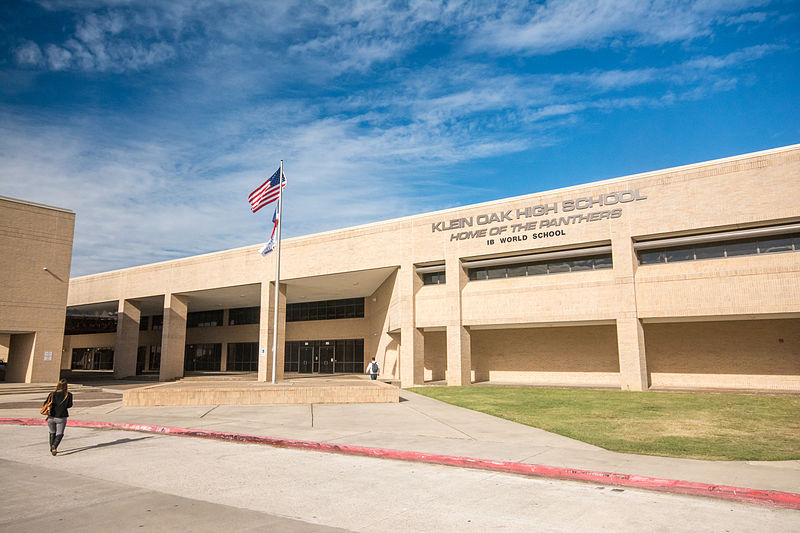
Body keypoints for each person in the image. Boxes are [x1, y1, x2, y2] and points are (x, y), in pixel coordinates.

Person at [43, 378, 73, 456]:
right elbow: (69, 405)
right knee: (59, 433)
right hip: (61, 417)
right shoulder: (68, 395)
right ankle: (54, 446)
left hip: (51, 417)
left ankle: (52, 447)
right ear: (66, 386)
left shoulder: (52, 394)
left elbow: (45, 403)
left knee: (52, 432)